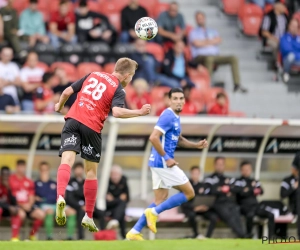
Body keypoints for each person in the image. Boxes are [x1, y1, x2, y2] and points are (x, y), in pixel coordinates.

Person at [54, 57, 151, 233]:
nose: (131, 80)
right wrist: (140, 112)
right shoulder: (118, 89)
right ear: (127, 75)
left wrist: (59, 106)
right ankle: (89, 216)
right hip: (91, 128)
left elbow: (67, 91)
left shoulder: (93, 74)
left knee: (66, 161)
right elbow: (117, 112)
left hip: (72, 121)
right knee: (90, 172)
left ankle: (60, 196)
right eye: (132, 76)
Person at [126, 88, 208, 241]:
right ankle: (154, 213)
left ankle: (134, 231)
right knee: (189, 193)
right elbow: (153, 137)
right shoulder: (168, 115)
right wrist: (167, 157)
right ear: (169, 101)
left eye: (181, 98)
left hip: (158, 163)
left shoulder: (175, 117)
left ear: (184, 100)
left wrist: (195, 145)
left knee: (159, 199)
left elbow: (179, 138)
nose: (178, 101)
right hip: (163, 162)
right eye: (175, 98)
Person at [189, 11, 247, 93]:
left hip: (215, 56)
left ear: (205, 19)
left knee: (233, 58)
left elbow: (219, 40)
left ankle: (237, 84)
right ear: (196, 20)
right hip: (200, 57)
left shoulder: (212, 30)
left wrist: (204, 42)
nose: (200, 20)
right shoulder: (193, 32)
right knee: (209, 59)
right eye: (198, 18)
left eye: (201, 18)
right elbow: (196, 43)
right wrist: (211, 41)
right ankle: (208, 84)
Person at [204, 157, 246, 238]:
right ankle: (242, 235)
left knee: (236, 210)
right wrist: (225, 189)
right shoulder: (209, 178)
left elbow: (238, 188)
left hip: (228, 202)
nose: (220, 166)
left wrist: (225, 188)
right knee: (228, 214)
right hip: (216, 203)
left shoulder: (228, 178)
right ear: (215, 165)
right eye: (218, 164)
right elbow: (209, 190)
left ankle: (242, 233)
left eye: (222, 164)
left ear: (224, 166)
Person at [35, 161, 76, 240]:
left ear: (49, 170)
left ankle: (70, 237)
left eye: (46, 170)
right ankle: (49, 236)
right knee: (49, 211)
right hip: (44, 205)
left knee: (72, 212)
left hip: (56, 205)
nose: (44, 172)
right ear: (39, 171)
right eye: (42, 170)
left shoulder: (54, 183)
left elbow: (61, 195)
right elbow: (34, 197)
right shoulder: (36, 183)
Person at [233, 161, 274, 238]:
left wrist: (248, 190)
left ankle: (270, 237)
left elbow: (261, 191)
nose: (246, 171)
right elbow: (240, 192)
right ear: (241, 170)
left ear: (251, 170)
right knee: (250, 215)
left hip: (255, 206)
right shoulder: (238, 181)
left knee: (271, 215)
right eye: (244, 169)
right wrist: (252, 190)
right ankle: (248, 235)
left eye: (248, 169)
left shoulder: (254, 181)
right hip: (244, 206)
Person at [66, 162, 105, 240]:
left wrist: (92, 206)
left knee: (101, 213)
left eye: (81, 169)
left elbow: (92, 195)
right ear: (74, 171)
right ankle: (81, 237)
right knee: (81, 213)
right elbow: (69, 198)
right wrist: (80, 206)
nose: (79, 171)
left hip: (88, 206)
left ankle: (102, 235)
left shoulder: (87, 181)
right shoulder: (70, 182)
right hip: (78, 207)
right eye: (77, 169)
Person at [9, 159, 45, 241]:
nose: (22, 169)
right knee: (21, 214)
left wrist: (29, 204)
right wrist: (22, 205)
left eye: (23, 167)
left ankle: (32, 235)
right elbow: (11, 196)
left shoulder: (29, 181)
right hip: (17, 205)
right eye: (20, 167)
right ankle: (14, 237)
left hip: (28, 206)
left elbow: (31, 195)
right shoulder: (11, 179)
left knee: (41, 214)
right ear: (17, 167)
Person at [180, 166, 218, 239]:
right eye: (194, 173)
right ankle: (196, 234)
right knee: (192, 215)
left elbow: (206, 198)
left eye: (197, 173)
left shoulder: (203, 186)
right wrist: (194, 207)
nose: (196, 175)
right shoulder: (185, 186)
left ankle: (208, 237)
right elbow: (183, 202)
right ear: (191, 174)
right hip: (190, 209)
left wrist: (205, 206)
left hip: (202, 209)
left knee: (213, 217)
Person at [0, 166, 25, 241]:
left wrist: (9, 189)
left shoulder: (10, 185)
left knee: (17, 212)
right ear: (1, 175)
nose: (5, 176)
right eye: (4, 174)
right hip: (2, 208)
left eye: (7, 174)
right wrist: (8, 207)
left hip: (7, 209)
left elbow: (13, 201)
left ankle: (14, 237)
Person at [106, 165, 130, 239]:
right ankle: (123, 236)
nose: (114, 176)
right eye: (113, 174)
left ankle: (115, 221)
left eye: (116, 174)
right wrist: (119, 199)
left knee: (121, 208)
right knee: (121, 207)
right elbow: (107, 201)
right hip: (109, 209)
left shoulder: (124, 181)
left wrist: (114, 199)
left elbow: (127, 197)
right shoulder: (107, 182)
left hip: (119, 208)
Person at [279, 19, 300, 83]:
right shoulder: (284, 37)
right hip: (288, 60)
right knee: (291, 56)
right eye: (293, 26)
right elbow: (287, 50)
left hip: (298, 59)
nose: (294, 28)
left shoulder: (298, 38)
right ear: (289, 26)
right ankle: (286, 73)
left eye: (296, 27)